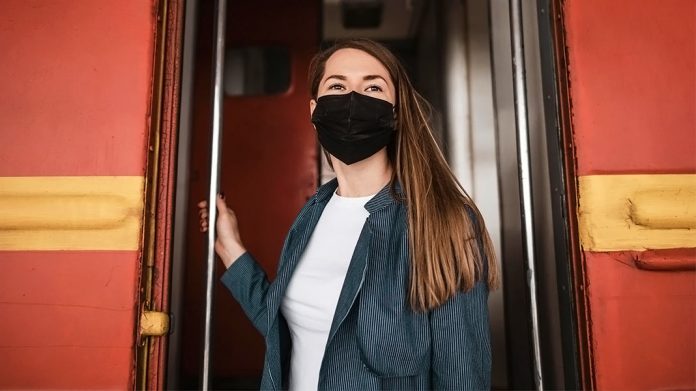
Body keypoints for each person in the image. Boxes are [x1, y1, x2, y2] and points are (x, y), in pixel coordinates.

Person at [198, 38, 499, 391]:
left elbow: (461, 376)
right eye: (337, 86)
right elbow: (291, 329)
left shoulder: (445, 222)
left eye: (372, 86)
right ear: (314, 110)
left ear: (395, 112)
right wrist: (232, 249)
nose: (353, 99)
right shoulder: (314, 213)